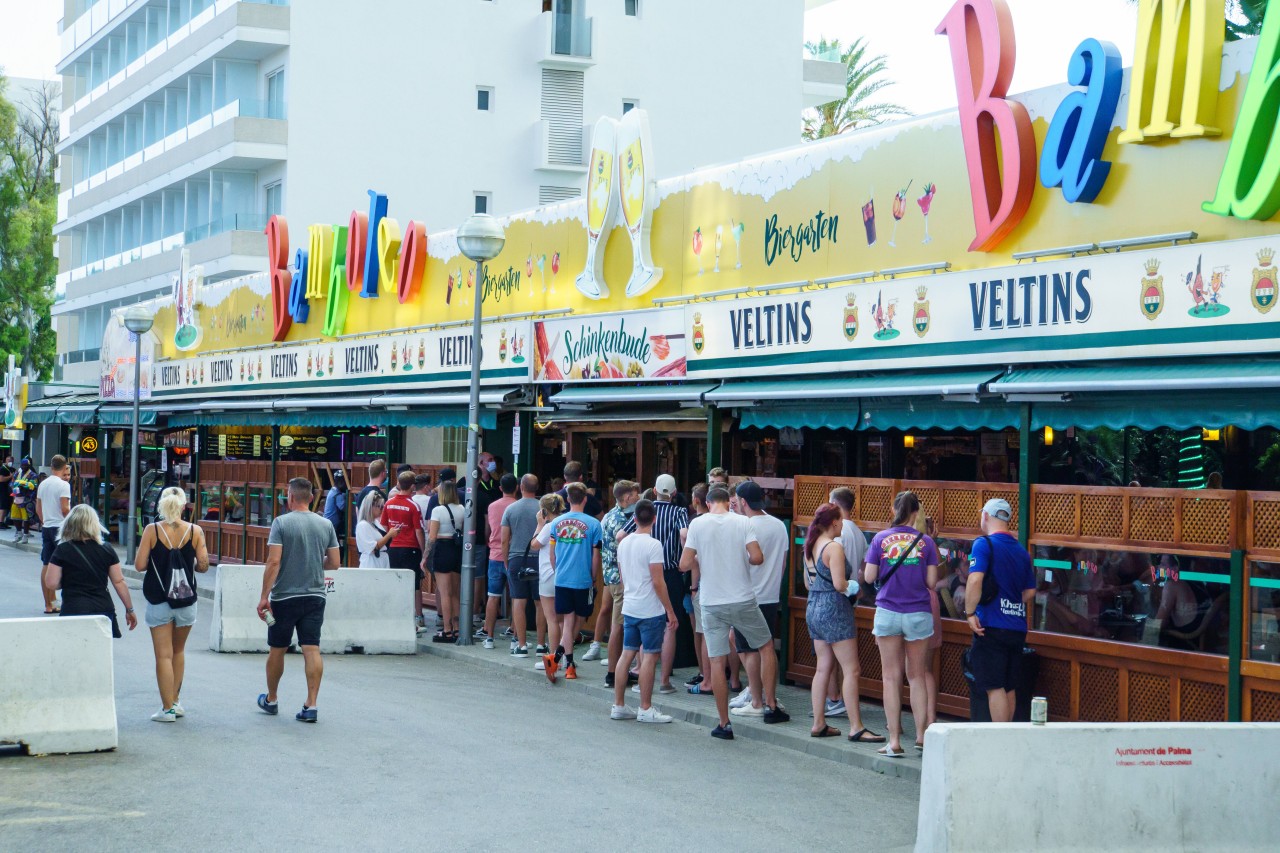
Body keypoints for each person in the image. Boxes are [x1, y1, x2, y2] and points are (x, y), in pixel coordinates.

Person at [681, 485, 788, 740]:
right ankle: (771, 705)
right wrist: (742, 559)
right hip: (742, 599)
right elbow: (758, 557)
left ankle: (724, 724)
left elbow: (684, 563)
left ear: (708, 504)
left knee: (717, 662)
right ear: (728, 503)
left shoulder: (697, 524)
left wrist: (701, 558)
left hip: (711, 602)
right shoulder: (742, 523)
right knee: (765, 646)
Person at [257, 477, 340, 723]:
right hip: (315, 596)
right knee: (311, 648)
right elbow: (334, 563)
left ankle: (271, 699)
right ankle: (311, 704)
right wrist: (315, 563)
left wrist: (264, 596)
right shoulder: (325, 525)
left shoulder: (281, 523)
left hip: (284, 597)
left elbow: (273, 561)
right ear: (312, 498)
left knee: (277, 649)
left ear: (290, 496)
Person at [803, 502, 885, 743]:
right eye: (841, 521)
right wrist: (858, 587)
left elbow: (812, 582)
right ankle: (856, 726)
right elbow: (840, 585)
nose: (843, 525)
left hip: (814, 605)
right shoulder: (834, 548)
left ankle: (819, 723)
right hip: (834, 609)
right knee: (852, 669)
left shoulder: (811, 545)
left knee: (822, 667)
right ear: (835, 522)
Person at [865, 491, 939, 757]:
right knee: (917, 676)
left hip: (887, 611)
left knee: (890, 676)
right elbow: (932, 583)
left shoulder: (880, 539)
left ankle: (894, 741)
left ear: (894, 509)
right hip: (918, 612)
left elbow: (869, 575)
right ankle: (921, 737)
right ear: (916, 512)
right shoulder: (927, 542)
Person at [136, 487, 210, 722]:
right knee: (178, 652)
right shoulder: (195, 530)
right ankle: (176, 703)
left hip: (159, 599)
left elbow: (139, 565)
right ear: (183, 505)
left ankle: (166, 709)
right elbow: (204, 565)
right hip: (187, 600)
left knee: (163, 656)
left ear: (161, 505)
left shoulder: (152, 530)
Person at [730, 482, 796, 722]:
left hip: (746, 594)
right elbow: (784, 563)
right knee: (764, 647)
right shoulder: (779, 526)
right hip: (770, 594)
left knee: (748, 649)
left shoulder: (742, 526)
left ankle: (757, 699)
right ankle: (767, 698)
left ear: (744, 502)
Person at [965, 498, 1036, 724]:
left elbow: (975, 580)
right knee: (1009, 686)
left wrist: (969, 613)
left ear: (986, 516)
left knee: (994, 686)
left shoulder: (983, 544)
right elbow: (1030, 591)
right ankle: (1009, 737)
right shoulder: (1021, 551)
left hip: (991, 626)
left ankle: (1000, 740)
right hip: (1016, 628)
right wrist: (1011, 602)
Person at [620, 473, 688, 695]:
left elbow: (620, 535)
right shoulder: (678, 511)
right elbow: (685, 535)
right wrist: (684, 558)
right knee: (669, 626)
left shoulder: (646, 509)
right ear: (675, 493)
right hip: (669, 572)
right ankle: (664, 680)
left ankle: (640, 670)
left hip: (641, 574)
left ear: (655, 490)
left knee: (641, 626)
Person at [610, 499, 677, 724]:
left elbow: (622, 574)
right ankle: (645, 708)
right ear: (655, 519)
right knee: (649, 656)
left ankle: (619, 704)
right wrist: (670, 610)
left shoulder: (624, 544)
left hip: (630, 605)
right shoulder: (654, 545)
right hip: (650, 609)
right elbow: (658, 582)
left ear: (635, 519)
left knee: (627, 654)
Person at [45, 504, 137, 638]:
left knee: (75, 652)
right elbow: (119, 581)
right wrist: (129, 609)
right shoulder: (106, 549)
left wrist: (65, 581)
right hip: (102, 608)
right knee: (100, 653)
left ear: (70, 524)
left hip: (74, 607)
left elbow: (51, 583)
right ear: (94, 524)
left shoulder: (62, 549)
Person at [545, 483, 603, 683]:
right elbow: (596, 556)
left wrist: (557, 571)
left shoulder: (556, 523)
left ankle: (559, 658)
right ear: (585, 499)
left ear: (568, 499)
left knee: (570, 622)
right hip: (583, 579)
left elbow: (552, 555)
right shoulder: (594, 524)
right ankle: (566, 664)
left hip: (562, 578)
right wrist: (593, 578)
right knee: (576, 621)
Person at [820, 487, 869, 718]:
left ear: (834, 505)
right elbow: (862, 571)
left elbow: (839, 576)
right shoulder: (858, 532)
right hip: (849, 598)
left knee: (829, 657)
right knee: (842, 658)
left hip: (835, 598)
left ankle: (833, 699)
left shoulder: (839, 534)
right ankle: (836, 699)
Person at [597, 480, 639, 686]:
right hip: (621, 578)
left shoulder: (608, 516)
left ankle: (617, 671)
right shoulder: (623, 520)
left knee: (619, 624)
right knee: (618, 626)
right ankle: (613, 674)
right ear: (627, 498)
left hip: (611, 577)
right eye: (635, 494)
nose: (638, 497)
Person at [501, 474, 542, 656]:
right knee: (541, 602)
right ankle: (541, 644)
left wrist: (506, 561)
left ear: (520, 487)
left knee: (518, 601)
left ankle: (522, 644)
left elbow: (504, 540)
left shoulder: (511, 509)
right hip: (540, 558)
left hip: (517, 557)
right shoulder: (543, 509)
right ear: (537, 488)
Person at [380, 471, 426, 628]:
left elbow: (385, 526)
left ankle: (397, 615)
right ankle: (416, 618)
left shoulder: (388, 503)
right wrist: (424, 551)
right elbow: (419, 530)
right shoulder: (413, 505)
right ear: (413, 486)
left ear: (398, 484)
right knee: (414, 584)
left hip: (394, 548)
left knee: (397, 582)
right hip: (411, 548)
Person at [480, 473, 518, 648]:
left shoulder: (492, 506)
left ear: (500, 488)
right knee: (517, 597)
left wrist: (490, 542)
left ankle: (489, 636)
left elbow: (488, 529)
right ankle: (515, 636)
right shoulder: (518, 506)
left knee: (492, 596)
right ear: (517, 488)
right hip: (514, 556)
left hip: (494, 555)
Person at [530, 493, 566, 669]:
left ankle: (554, 659)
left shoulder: (549, 526)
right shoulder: (565, 523)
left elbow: (534, 545)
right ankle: (565, 656)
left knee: (551, 619)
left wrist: (539, 524)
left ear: (544, 510)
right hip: (565, 575)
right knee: (564, 619)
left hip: (548, 574)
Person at [426, 479, 464, 642]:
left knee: (444, 592)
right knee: (455, 592)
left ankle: (447, 629)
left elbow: (432, 536)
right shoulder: (462, 509)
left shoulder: (438, 510)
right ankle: (457, 628)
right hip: (457, 549)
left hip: (442, 549)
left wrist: (425, 556)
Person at [36, 455, 72, 615]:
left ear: (51, 467)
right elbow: (65, 508)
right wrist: (72, 523)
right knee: (66, 564)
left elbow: (38, 509)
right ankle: (66, 601)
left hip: (47, 527)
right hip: (60, 528)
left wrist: (44, 521)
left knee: (47, 564)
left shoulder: (43, 484)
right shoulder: (63, 485)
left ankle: (49, 604)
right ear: (64, 467)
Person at [355, 490, 394, 569]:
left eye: (382, 507)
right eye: (379, 506)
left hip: (380, 561)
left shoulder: (375, 522)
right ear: (370, 507)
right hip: (371, 563)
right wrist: (389, 535)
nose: (381, 510)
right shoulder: (363, 525)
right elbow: (372, 548)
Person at [11, 459, 38, 544]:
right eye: (22, 465)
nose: (23, 467)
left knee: (26, 519)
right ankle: (19, 533)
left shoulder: (33, 475)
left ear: (29, 466)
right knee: (15, 517)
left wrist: (24, 485)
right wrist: (13, 487)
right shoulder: (17, 473)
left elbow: (34, 486)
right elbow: (12, 483)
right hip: (16, 497)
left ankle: (25, 535)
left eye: (25, 465)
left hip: (26, 499)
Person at [321, 470, 347, 539]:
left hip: (328, 524)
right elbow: (343, 507)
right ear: (341, 482)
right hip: (331, 526)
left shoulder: (332, 491)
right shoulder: (337, 494)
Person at [0, 453, 14, 529]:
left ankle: (4, 521)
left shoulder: (12, 469)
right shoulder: (2, 469)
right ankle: (1, 521)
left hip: (9, 491)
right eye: (9, 460)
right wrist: (10, 476)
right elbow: (1, 479)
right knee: (3, 506)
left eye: (11, 460)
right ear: (5, 460)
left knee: (7, 506)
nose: (10, 462)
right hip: (3, 490)